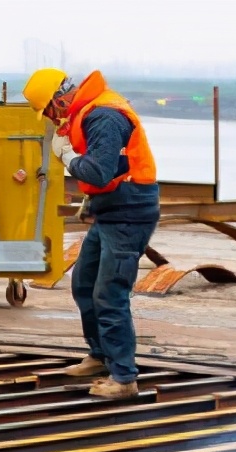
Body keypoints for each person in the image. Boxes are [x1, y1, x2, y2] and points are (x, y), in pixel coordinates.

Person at [23, 67, 160, 399]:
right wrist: (92, 200)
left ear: (59, 100)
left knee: (109, 293)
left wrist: (67, 156)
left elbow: (98, 172)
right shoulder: (91, 112)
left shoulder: (104, 116)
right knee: (84, 283)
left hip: (128, 213)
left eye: (50, 113)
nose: (54, 122)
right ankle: (101, 355)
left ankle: (124, 378)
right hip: (111, 208)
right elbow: (110, 172)